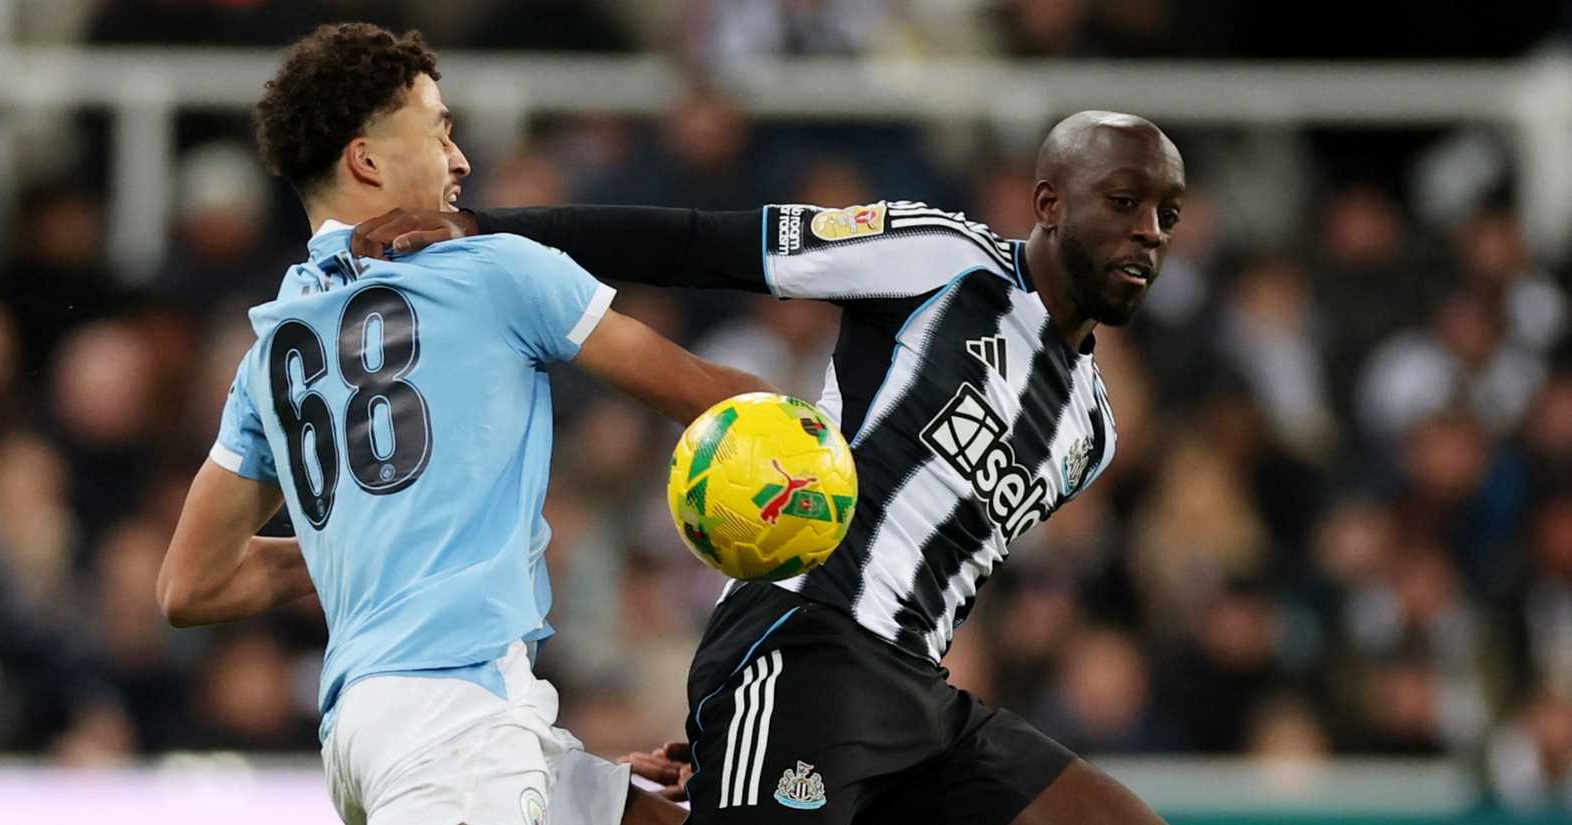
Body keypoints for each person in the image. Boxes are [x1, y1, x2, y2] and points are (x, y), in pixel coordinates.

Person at [353, 110, 1184, 825]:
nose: (1149, 230)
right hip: (806, 641)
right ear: (1048, 203)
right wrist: (490, 226)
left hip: (918, 698)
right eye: (1123, 202)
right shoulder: (941, 257)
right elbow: (703, 243)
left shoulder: (1093, 430)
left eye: (1167, 214)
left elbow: (947, 563)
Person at [155, 23, 765, 825]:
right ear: (367, 160)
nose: (461, 159)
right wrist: (861, 431)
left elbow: (189, 585)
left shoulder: (272, 349)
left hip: (374, 729)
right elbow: (718, 400)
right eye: (439, 128)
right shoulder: (494, 269)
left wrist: (378, 536)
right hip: (455, 720)